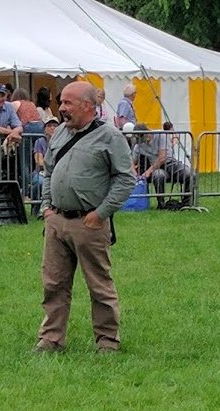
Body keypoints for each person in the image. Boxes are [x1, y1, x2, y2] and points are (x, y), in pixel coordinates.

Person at [35, 81, 133, 354]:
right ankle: (51, 339)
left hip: (89, 223)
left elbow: (125, 179)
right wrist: (47, 208)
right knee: (53, 284)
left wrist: (101, 214)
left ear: (88, 106)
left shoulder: (110, 136)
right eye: (61, 102)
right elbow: (49, 172)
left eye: (68, 103)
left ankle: (107, 341)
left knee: (99, 285)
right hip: (57, 221)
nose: (62, 108)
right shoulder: (60, 134)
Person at [132, 123, 192, 209]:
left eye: (142, 136)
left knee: (189, 174)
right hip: (157, 167)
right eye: (138, 137)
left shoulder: (161, 135)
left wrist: (148, 172)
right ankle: (161, 205)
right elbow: (131, 162)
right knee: (158, 175)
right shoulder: (139, 145)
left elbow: (162, 157)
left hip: (170, 162)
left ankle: (186, 204)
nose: (141, 139)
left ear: (147, 131)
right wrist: (135, 175)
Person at [29, 116, 59, 216]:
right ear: (44, 129)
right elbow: (39, 161)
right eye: (49, 125)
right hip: (42, 172)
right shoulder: (40, 142)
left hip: (58, 172)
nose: (52, 128)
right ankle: (37, 210)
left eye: (55, 125)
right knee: (39, 182)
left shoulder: (63, 141)